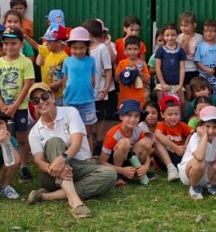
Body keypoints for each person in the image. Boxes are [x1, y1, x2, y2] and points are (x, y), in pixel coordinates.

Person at [27, 82, 117, 219]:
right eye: (36, 100)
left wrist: (63, 159)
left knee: (110, 174)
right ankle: (75, 202)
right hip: (52, 174)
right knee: (53, 142)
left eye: (45, 96)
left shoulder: (70, 112)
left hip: (81, 165)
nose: (41, 102)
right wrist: (53, 167)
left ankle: (47, 196)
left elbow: (77, 143)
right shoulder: (34, 132)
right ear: (33, 105)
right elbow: (39, 161)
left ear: (52, 97)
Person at [0, 27, 35, 182]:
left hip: (19, 107)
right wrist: (1, 104)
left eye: (13, 43)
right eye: (6, 43)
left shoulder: (26, 62)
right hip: (0, 106)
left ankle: (24, 165)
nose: (9, 47)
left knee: (21, 137)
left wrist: (15, 105)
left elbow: (27, 85)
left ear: (21, 44)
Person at [178, 106, 216, 200]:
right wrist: (204, 136)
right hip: (189, 174)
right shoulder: (195, 137)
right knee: (199, 162)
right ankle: (194, 187)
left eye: (215, 127)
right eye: (207, 126)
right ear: (201, 126)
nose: (211, 131)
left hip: (206, 172)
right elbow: (199, 157)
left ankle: (211, 185)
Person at [60, 27, 99, 153]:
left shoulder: (91, 61)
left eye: (81, 48)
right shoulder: (67, 61)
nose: (78, 51)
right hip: (70, 101)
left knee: (87, 132)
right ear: (70, 47)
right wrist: (65, 92)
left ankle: (89, 157)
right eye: (75, 48)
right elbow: (65, 80)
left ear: (87, 47)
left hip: (87, 102)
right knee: (70, 131)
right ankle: (72, 156)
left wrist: (87, 92)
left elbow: (93, 80)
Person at [99, 99, 154, 184]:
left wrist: (146, 166)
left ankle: (138, 172)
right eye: (129, 115)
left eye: (136, 116)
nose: (133, 119)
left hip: (130, 159)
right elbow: (102, 162)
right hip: (115, 163)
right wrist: (121, 170)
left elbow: (147, 152)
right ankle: (118, 175)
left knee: (146, 142)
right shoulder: (112, 134)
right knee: (125, 142)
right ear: (121, 117)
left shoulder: (138, 131)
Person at [84, 19, 115, 151]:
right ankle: (89, 138)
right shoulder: (84, 48)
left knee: (101, 116)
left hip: (100, 89)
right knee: (89, 115)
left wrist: (107, 87)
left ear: (90, 33)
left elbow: (108, 69)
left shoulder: (102, 48)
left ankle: (99, 140)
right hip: (86, 90)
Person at [153, 95, 191, 182]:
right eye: (170, 114)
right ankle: (171, 169)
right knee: (155, 140)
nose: (173, 117)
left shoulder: (182, 125)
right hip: (166, 158)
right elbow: (157, 134)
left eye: (176, 114)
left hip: (181, 155)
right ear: (162, 115)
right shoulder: (161, 125)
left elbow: (193, 133)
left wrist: (185, 146)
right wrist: (176, 148)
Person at [194, 19, 216, 111]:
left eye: (212, 31)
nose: (209, 33)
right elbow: (197, 61)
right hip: (203, 76)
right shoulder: (200, 45)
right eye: (206, 31)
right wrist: (206, 70)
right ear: (203, 32)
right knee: (205, 94)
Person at [153, 23, 186, 104]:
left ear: (177, 35)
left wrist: (180, 85)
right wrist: (163, 84)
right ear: (163, 36)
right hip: (162, 84)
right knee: (161, 102)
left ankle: (180, 117)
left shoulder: (180, 51)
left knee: (181, 102)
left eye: (173, 35)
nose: (170, 38)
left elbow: (182, 69)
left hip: (177, 84)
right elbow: (157, 68)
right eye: (167, 35)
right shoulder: (160, 50)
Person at [115, 35, 151, 108]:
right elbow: (116, 79)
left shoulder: (142, 63)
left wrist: (139, 73)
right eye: (129, 49)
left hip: (139, 97)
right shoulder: (122, 63)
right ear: (125, 50)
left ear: (139, 50)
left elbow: (148, 81)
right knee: (124, 117)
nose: (132, 52)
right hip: (125, 97)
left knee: (138, 117)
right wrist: (125, 72)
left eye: (135, 49)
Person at [37, 24, 69, 105]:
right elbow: (36, 46)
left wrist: (54, 85)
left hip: (58, 97)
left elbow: (67, 77)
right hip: (47, 93)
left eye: (49, 41)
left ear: (58, 43)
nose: (46, 43)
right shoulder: (49, 52)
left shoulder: (64, 58)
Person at [178, 11, 203, 93]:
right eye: (181, 25)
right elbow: (182, 54)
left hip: (194, 69)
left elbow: (200, 55)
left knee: (193, 92)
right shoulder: (179, 37)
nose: (183, 28)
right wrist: (186, 42)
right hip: (182, 69)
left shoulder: (199, 38)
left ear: (194, 25)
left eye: (186, 25)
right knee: (185, 93)